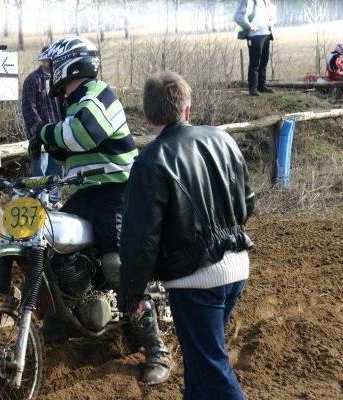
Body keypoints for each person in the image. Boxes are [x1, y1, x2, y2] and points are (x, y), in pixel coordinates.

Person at [28, 35, 171, 385]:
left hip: (117, 191)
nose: (48, 73)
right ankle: (61, 321)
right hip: (85, 193)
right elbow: (67, 149)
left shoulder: (98, 93)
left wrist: (43, 131)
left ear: (69, 64)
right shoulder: (74, 103)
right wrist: (48, 141)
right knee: (49, 246)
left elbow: (83, 135)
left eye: (51, 66)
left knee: (118, 267)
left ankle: (157, 349)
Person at [119, 71, 256, 398]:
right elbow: (248, 200)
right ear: (187, 109)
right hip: (237, 267)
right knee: (200, 368)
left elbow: (141, 238)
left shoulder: (150, 161)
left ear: (147, 117)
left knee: (212, 370)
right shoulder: (223, 139)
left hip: (195, 282)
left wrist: (132, 294)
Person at [21, 46, 63, 205]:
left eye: (52, 60)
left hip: (58, 132)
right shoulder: (32, 80)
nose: (49, 63)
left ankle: (54, 201)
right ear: (42, 60)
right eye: (47, 59)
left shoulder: (59, 79)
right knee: (40, 170)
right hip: (40, 134)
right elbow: (29, 108)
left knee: (57, 169)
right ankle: (39, 201)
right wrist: (39, 130)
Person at [235, 0, 276, 96]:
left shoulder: (266, 1)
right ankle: (253, 89)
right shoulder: (247, 1)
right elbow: (238, 17)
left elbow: (273, 12)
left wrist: (272, 21)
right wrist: (249, 26)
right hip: (254, 36)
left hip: (266, 34)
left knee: (264, 61)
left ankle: (262, 86)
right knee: (255, 63)